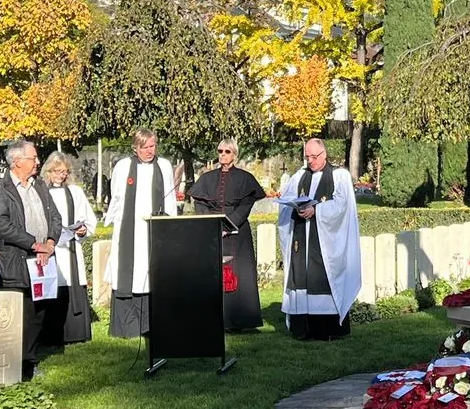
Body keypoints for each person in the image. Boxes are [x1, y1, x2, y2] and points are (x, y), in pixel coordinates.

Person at [0, 140, 61, 379]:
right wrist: (32, 243)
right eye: (33, 158)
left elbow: (55, 217)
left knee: (39, 312)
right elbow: (0, 226)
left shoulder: (39, 185)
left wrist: (49, 242)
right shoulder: (1, 189)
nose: (38, 162)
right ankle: (15, 364)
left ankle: (30, 359)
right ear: (17, 162)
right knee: (21, 313)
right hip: (17, 260)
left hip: (43, 259)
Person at [277, 138, 361, 340]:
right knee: (302, 276)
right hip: (301, 236)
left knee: (322, 276)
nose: (311, 161)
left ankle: (327, 329)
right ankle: (302, 328)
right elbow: (286, 200)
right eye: (307, 157)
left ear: (324, 154)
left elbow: (343, 206)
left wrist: (317, 210)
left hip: (324, 240)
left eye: (314, 157)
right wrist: (294, 206)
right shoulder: (299, 176)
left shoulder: (339, 176)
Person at [186, 138, 266, 332]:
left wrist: (228, 225)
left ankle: (240, 320)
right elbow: (200, 203)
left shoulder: (245, 178)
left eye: (227, 151)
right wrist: (210, 224)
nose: (223, 154)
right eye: (220, 151)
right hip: (212, 233)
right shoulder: (207, 178)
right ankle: (212, 319)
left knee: (240, 274)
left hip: (237, 233)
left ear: (235, 154)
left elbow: (245, 205)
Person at [103, 129, 177, 338]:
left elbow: (169, 197)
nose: (149, 151)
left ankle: (152, 324)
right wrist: (113, 220)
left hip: (155, 228)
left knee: (151, 270)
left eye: (152, 146)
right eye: (144, 147)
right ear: (135, 147)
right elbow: (116, 196)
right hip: (130, 228)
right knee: (129, 270)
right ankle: (128, 326)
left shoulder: (163, 165)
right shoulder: (123, 166)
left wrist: (170, 223)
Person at [40, 152, 96, 346]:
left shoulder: (74, 192)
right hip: (51, 247)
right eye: (57, 171)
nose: (61, 175)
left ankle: (76, 331)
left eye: (64, 171)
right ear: (49, 171)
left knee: (72, 282)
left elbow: (88, 218)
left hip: (71, 247)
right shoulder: (41, 192)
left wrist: (82, 230)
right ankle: (52, 334)